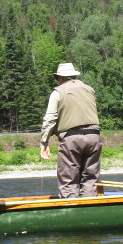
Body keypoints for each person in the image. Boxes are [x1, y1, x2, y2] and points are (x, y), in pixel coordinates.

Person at [39, 62, 103, 198]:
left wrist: (44, 142)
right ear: (73, 76)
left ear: (61, 78)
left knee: (68, 180)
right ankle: (88, 209)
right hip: (94, 138)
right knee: (90, 179)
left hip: (72, 139)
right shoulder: (89, 89)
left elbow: (49, 119)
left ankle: (71, 209)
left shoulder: (58, 92)